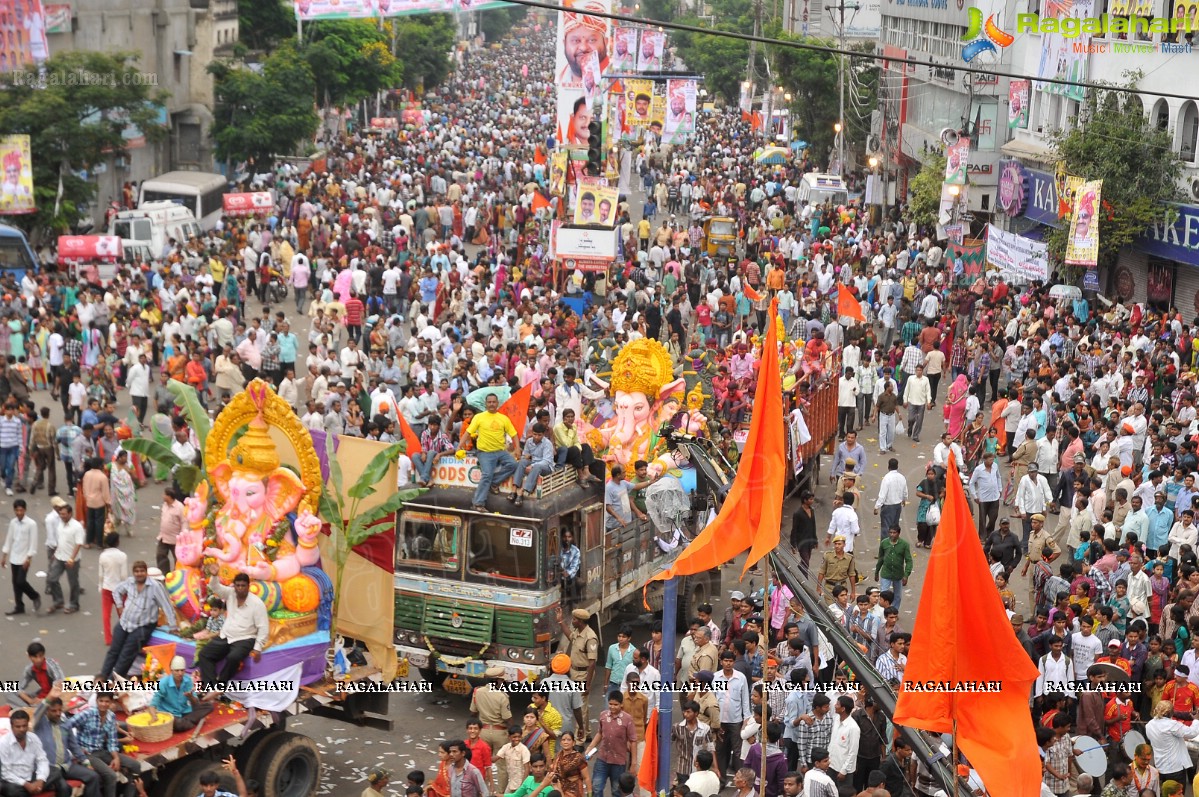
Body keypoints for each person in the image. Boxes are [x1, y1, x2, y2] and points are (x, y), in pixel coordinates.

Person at [98, 560, 176, 682]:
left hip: (143, 626)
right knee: (113, 652)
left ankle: (112, 683)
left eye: (142, 571)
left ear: (146, 572)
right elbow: (116, 591)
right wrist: (119, 606)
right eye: (137, 571)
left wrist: (173, 626)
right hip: (125, 623)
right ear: (133, 573)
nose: (139, 574)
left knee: (126, 655)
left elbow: (167, 606)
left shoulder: (155, 587)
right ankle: (102, 678)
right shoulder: (129, 582)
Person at [197, 569, 269, 692]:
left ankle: (220, 687)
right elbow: (215, 587)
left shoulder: (257, 603)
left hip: (246, 638)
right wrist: (214, 574)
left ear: (248, 586)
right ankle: (212, 688)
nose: (240, 588)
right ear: (234, 586)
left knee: (233, 658)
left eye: (243, 585)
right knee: (204, 654)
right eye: (238, 585)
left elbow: (263, 627)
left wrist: (257, 648)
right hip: (226, 636)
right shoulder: (230, 593)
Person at [34, 696, 101, 797]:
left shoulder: (65, 724)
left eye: (59, 710)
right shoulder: (40, 724)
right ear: (47, 711)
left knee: (93, 776)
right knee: (64, 788)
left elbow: (74, 746)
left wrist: (86, 763)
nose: (57, 713)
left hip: (66, 766)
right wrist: (47, 699)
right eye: (53, 711)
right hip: (50, 769)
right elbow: (37, 712)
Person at [466, 393, 519, 511]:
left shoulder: (504, 418)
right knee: (486, 475)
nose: (491, 404)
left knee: (514, 464)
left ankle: (494, 482)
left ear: (497, 403)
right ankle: (478, 503)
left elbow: (514, 434)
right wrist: (460, 445)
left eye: (493, 402)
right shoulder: (479, 417)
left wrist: (517, 449)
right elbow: (468, 432)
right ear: (486, 404)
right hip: (484, 452)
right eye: (489, 402)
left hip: (501, 451)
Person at [584, 691, 636, 797]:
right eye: (610, 704)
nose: (612, 707)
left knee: (616, 791)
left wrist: (634, 763)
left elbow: (633, 741)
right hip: (602, 759)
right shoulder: (603, 715)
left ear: (621, 704)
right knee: (596, 788)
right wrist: (590, 747)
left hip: (619, 762)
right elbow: (600, 733)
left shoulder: (627, 719)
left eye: (616, 704)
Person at [147, 655, 214, 732]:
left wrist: (191, 697)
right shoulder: (163, 683)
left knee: (209, 706)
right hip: (170, 715)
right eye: (177, 670)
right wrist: (154, 716)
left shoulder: (188, 680)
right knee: (177, 724)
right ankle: (192, 722)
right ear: (171, 671)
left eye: (182, 670)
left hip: (185, 711)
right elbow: (152, 704)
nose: (180, 673)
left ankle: (187, 722)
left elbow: (196, 703)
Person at [1, 497, 39, 615]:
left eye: (21, 510)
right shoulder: (13, 523)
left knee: (21, 581)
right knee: (15, 583)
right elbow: (9, 539)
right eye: (17, 510)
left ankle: (35, 596)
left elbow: (33, 543)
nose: (19, 513)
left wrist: (29, 558)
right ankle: (19, 606)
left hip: (24, 558)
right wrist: (4, 555)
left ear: (25, 510)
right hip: (14, 557)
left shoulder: (31, 524)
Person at [44, 500, 83, 614]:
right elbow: (61, 540)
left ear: (70, 514)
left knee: (73, 583)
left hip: (72, 560)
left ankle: (74, 604)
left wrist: (72, 558)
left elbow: (78, 543)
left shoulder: (77, 527)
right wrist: (55, 554)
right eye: (60, 514)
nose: (62, 516)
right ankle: (58, 601)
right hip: (59, 557)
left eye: (64, 514)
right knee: (52, 579)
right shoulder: (60, 524)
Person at [0, 708, 49, 797]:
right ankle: (31, 790)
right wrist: (26, 785)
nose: (22, 729)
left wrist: (40, 780)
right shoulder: (4, 743)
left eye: (24, 726)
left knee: (56, 772)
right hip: (13, 781)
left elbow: (42, 760)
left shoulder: (33, 738)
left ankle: (35, 788)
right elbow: (5, 773)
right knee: (12, 791)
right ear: (11, 727)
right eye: (18, 727)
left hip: (30, 775)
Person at [511, 423, 555, 506]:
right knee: (522, 462)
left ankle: (522, 491)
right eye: (535, 434)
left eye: (539, 435)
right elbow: (525, 455)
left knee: (537, 466)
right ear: (532, 433)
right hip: (533, 462)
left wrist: (532, 465)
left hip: (546, 467)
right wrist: (525, 457)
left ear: (543, 434)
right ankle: (514, 488)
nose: (536, 437)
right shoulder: (529, 441)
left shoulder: (547, 443)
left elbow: (546, 461)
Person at [874, 527, 913, 612]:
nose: (892, 535)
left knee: (897, 596)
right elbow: (880, 558)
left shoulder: (904, 544)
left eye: (894, 533)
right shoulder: (884, 543)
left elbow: (909, 561)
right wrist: (876, 572)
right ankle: (883, 612)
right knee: (883, 594)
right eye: (890, 532)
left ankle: (894, 612)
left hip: (898, 574)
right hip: (886, 573)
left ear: (899, 533)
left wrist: (906, 575)